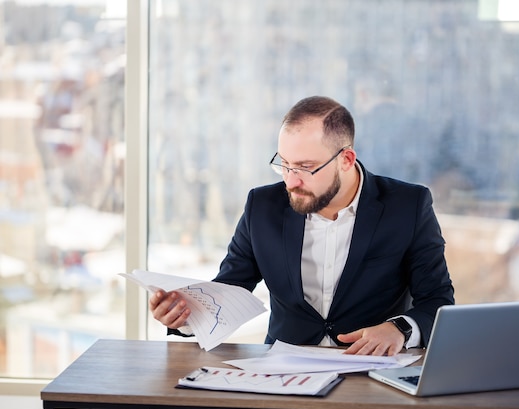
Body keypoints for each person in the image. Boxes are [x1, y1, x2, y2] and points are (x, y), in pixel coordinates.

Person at [149, 95, 454, 356]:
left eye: (306, 167)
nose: (291, 181)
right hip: (283, 380)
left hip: (371, 377)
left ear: (346, 159)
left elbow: (437, 301)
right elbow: (229, 292)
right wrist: (185, 318)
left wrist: (399, 330)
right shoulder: (262, 206)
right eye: (284, 164)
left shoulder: (407, 205)